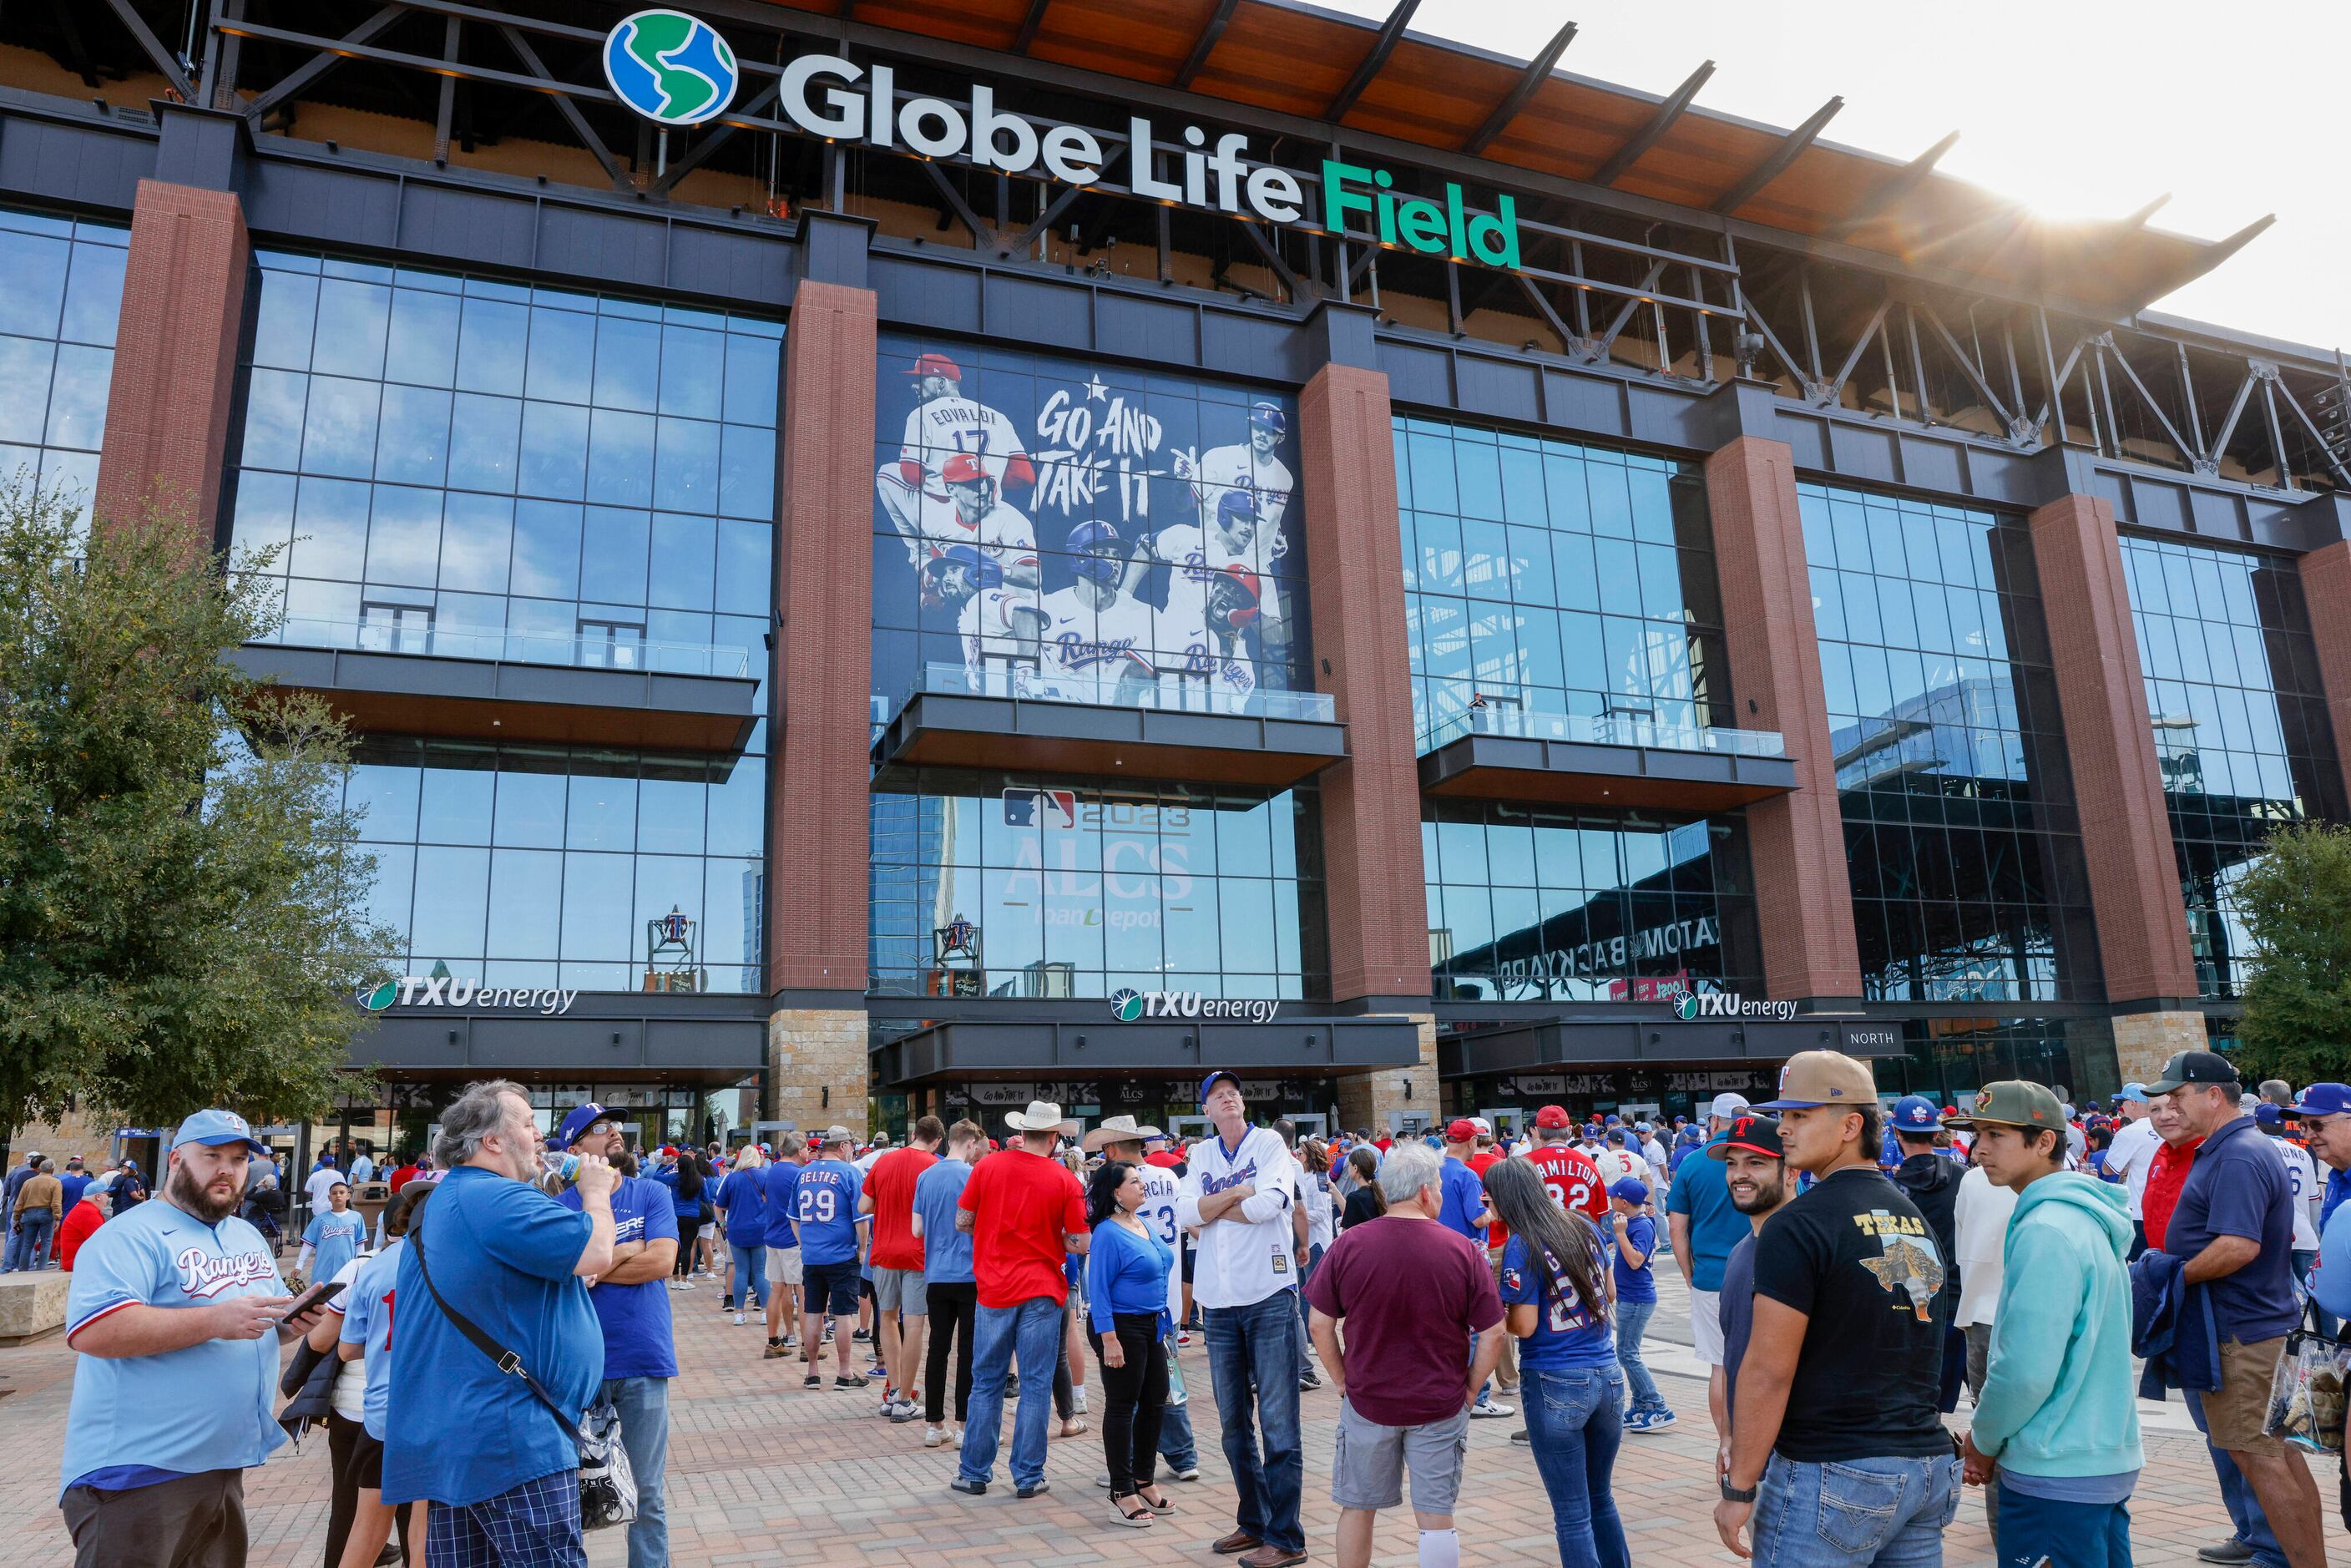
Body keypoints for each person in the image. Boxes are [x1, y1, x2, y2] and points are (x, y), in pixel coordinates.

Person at [58, 1110, 333, 1567]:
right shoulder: (128, 1236)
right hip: (138, 1474)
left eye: (239, 1159)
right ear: (176, 1160)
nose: (227, 1169)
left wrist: (290, 1324)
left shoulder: (245, 1234)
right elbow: (94, 1330)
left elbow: (246, 1324)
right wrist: (214, 1321)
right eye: (212, 1156)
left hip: (222, 1465)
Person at [1715, 1052, 1955, 1565]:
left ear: (1851, 1125)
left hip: (1835, 1467)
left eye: (1799, 1116)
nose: (1782, 1128)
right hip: (1923, 1463)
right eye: (1783, 1115)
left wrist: (1738, 1488)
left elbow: (1767, 1369)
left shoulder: (1797, 1224)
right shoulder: (1909, 1214)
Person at [382, 1080, 619, 1568]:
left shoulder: (455, 1199)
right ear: (492, 1141)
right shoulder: (495, 1198)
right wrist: (596, 1194)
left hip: (467, 1440)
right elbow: (598, 1250)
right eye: (529, 1123)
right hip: (513, 1441)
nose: (541, 1136)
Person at [1948, 1082, 2141, 1568]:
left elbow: (2025, 1369)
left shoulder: (2046, 1228)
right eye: (1977, 1133)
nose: (1980, 1148)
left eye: (1996, 1134)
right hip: (2095, 1455)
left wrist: (1982, 1439)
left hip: (2057, 1465)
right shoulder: (2078, 1217)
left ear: (2045, 1141)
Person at [2142, 1052, 2323, 1568]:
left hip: (2243, 1335)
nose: (2170, 1107)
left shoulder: (2238, 1153)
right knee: (2281, 1457)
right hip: (2257, 1328)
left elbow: (2238, 1247)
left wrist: (2168, 1276)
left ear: (2213, 1095)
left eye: (2178, 1096)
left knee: (2262, 1460)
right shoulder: (2234, 1147)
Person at [1303, 1143, 1504, 1568]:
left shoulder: (1350, 1244)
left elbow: (1319, 1323)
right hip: (1440, 1401)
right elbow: (1494, 1331)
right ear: (1427, 1192)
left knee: (1357, 1506)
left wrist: (1341, 1379)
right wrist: (1470, 1388)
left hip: (1369, 1399)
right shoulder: (1462, 1249)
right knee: (1436, 1515)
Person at [1177, 1070, 1309, 1567]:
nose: (1227, 1099)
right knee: (1234, 1425)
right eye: (1217, 1097)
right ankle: (1253, 1522)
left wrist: (1214, 1208)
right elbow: (1187, 1210)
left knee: (1279, 1425)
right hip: (1218, 1302)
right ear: (1206, 1111)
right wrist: (1236, 1194)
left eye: (1233, 1093)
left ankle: (1287, 1536)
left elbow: (1271, 1203)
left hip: (1269, 1294)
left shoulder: (1270, 1142)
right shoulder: (1201, 1155)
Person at [1484, 1153, 1627, 1568]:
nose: (1484, 1202)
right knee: (1601, 1497)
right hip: (1607, 1375)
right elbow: (1611, 1293)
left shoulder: (1522, 1242)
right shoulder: (1583, 1225)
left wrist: (1491, 1312)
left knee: (1572, 1513)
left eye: (1490, 1196)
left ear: (1508, 1198)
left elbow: (1524, 1326)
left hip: (1554, 1378)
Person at [549, 1103, 677, 1568]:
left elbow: (663, 1262)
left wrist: (599, 1264)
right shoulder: (559, 1208)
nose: (614, 1133)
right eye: (600, 1129)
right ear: (577, 1147)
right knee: (568, 1493)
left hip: (644, 1357)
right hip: (578, 1366)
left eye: (615, 1126)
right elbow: (567, 1276)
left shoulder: (650, 1193)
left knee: (648, 1494)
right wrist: (628, 1249)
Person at [952, 1100, 1089, 1500]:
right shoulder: (1065, 1179)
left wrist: (993, 1228)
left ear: (1024, 1132)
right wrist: (1052, 1237)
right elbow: (1081, 1241)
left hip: (994, 1287)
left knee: (987, 1381)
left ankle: (974, 1472)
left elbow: (962, 1221)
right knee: (1035, 1383)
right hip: (1043, 1289)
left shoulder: (988, 1167)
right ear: (1052, 1138)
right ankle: (1028, 1476)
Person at [313, 1181, 428, 1568]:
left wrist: (384, 1343)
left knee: (365, 1523)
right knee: (422, 1527)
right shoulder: (449, 1265)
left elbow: (346, 1348)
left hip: (376, 1413)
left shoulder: (373, 1267)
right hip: (426, 1413)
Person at [1085, 1115, 1201, 1485]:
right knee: (1160, 1388)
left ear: (1113, 1150)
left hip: (1151, 1309)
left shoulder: (1129, 1196)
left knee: (1150, 1392)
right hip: (1145, 1304)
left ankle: (1136, 1466)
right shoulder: (1168, 1178)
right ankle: (1171, 1459)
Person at [1084, 1161, 1178, 1529]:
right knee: (1123, 1405)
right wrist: (1109, 1339)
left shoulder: (1142, 1224)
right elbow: (1099, 1289)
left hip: (1152, 1325)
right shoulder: (1107, 1232)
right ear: (1116, 1192)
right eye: (1135, 1182)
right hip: (1120, 1328)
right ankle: (1122, 1491)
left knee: (1156, 1401)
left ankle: (1144, 1478)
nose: (1143, 1187)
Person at [1666, 1091, 1752, 1451]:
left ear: (1713, 1122)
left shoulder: (1693, 1162)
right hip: (1763, 1275)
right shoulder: (1766, 1158)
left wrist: (1689, 1275)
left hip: (1711, 1277)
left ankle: (1727, 1447)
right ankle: (1762, 1451)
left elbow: (1676, 1229)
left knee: (1721, 1366)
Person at [1710, 1114, 1792, 1458]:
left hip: (1797, 1457)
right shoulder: (1740, 1251)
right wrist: (1728, 1438)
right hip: (1751, 1449)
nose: (1739, 1175)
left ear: (1791, 1171)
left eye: (1755, 1163)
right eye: (1732, 1163)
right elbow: (1733, 1354)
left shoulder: (1802, 1248)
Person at [1888, 1094, 1965, 1414]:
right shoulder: (1965, 1178)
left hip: (1914, 1307)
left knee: (1917, 1403)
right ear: (1936, 1133)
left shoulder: (1891, 1190)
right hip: (1963, 1301)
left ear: (1896, 1133)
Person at [862, 1115, 942, 1423]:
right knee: (915, 1324)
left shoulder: (884, 1161)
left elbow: (864, 1206)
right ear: (937, 1141)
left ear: (913, 1134)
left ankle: (894, 1389)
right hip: (917, 1253)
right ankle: (905, 1398)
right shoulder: (934, 1165)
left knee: (888, 1318)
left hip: (883, 1251)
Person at [914, 1120, 984, 1448]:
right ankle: (963, 1426)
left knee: (938, 1349)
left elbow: (917, 1230)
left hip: (936, 1274)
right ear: (970, 1143)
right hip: (970, 1275)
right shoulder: (973, 1177)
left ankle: (934, 1424)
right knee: (968, 1351)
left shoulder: (926, 1176)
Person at [795, 1127, 867, 1391]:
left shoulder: (804, 1174)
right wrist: (862, 1249)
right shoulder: (849, 1173)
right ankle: (845, 1372)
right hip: (841, 1254)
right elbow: (860, 1218)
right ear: (844, 1146)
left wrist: (805, 1243)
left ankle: (812, 1372)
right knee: (844, 1314)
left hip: (812, 1254)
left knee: (814, 1311)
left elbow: (794, 1217)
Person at [1606, 1176, 1672, 1432]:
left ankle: (1657, 1406)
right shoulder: (1633, 1222)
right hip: (1630, 1296)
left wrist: (1621, 1234)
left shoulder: (1641, 1225)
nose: (1611, 1199)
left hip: (1637, 1298)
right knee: (1626, 1353)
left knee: (1628, 1354)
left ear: (1623, 1202)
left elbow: (1636, 1260)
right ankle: (1641, 1405)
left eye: (1614, 1196)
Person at [713, 1141, 766, 1326]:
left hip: (736, 1229)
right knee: (760, 1271)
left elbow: (718, 1206)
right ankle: (765, 1312)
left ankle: (739, 1312)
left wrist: (722, 1224)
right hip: (760, 1229)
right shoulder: (764, 1176)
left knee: (740, 1271)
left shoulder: (731, 1178)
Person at [760, 1141, 802, 1357]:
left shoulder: (772, 1170)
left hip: (773, 1236)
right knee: (803, 1293)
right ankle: (807, 1346)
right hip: (793, 1239)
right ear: (798, 1150)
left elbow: (764, 1196)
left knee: (777, 1291)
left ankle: (773, 1341)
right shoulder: (798, 1173)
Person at [297, 1181, 366, 1289]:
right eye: (334, 1193)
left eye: (341, 1192)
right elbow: (308, 1245)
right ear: (329, 1197)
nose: (338, 1195)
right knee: (320, 1299)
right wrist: (299, 1266)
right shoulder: (320, 1219)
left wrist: (361, 1265)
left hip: (347, 1268)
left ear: (348, 1195)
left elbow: (359, 1245)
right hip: (322, 1269)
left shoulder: (357, 1217)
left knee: (344, 1299)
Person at [8, 1156, 62, 1272]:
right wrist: (58, 1218)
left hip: (29, 1213)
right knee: (46, 1242)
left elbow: (20, 1201)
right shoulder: (55, 1182)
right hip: (46, 1213)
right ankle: (40, 1269)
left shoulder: (29, 1182)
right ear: (52, 1169)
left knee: (27, 1244)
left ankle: (23, 1269)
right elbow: (56, 1203)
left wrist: (17, 1217)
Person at [58, 1176, 107, 1272]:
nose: (108, 1199)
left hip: (75, 1260)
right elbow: (101, 1243)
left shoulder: (84, 1209)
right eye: (107, 1195)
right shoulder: (89, 1213)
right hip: (79, 1262)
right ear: (98, 1197)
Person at [1340, 1146, 1385, 1229]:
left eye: (1349, 1165)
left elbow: (1347, 1232)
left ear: (1355, 1168)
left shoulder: (1354, 1197)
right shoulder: (1380, 1193)